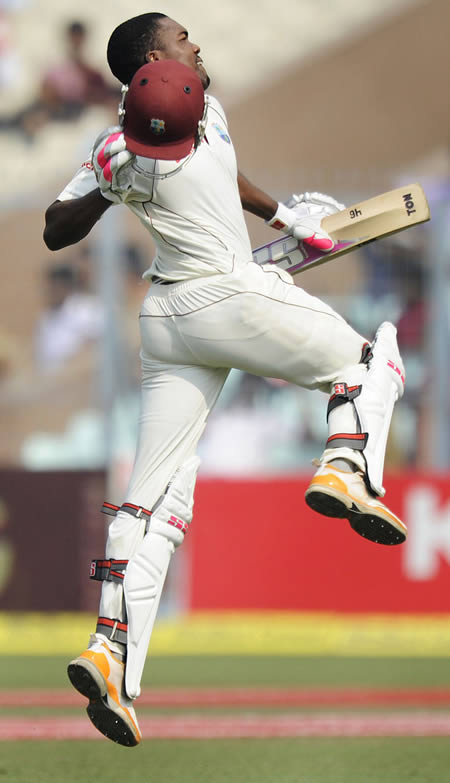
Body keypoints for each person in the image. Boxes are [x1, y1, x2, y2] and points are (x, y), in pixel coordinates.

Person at [43, 13, 407, 747]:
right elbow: (58, 227)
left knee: (156, 495)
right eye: (182, 39)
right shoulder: (132, 141)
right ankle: (345, 465)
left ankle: (110, 652)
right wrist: (109, 188)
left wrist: (283, 214)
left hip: (168, 319)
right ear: (153, 58)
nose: (196, 44)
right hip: (225, 294)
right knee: (371, 360)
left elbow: (69, 217)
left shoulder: (171, 118)